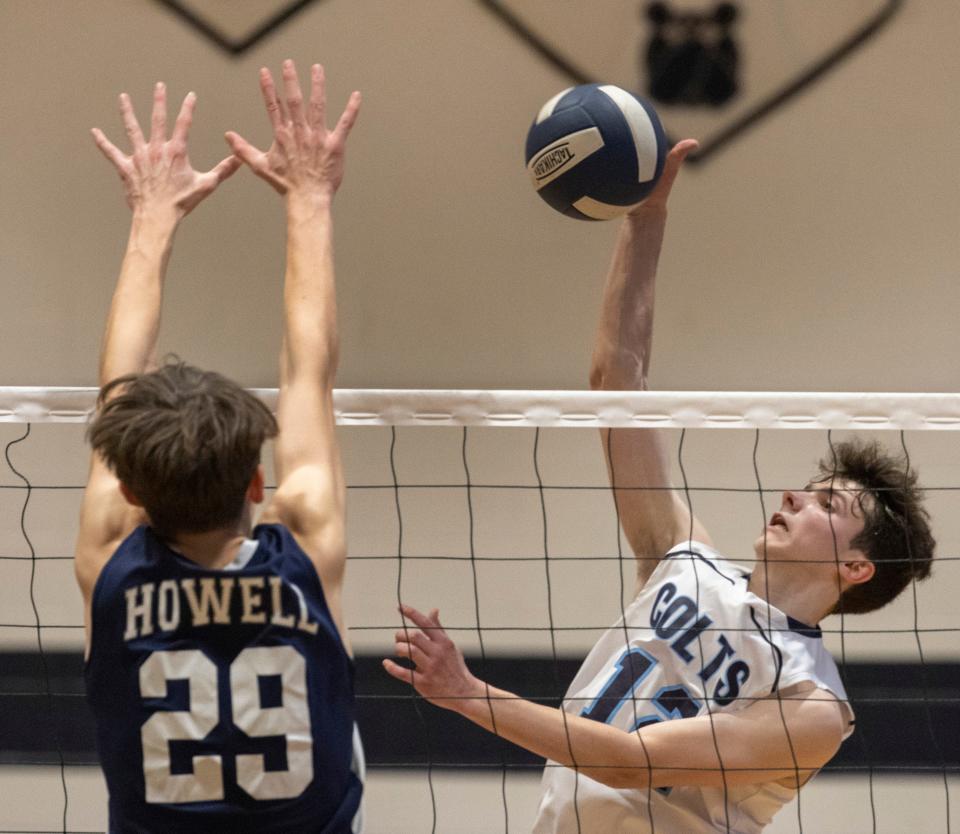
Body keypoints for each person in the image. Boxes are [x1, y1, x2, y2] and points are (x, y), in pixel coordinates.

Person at [384, 140, 936, 833]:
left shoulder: (812, 706)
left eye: (826, 504)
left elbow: (630, 762)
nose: (794, 496)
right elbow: (617, 383)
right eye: (808, 488)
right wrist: (646, 219)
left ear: (856, 567)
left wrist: (468, 695)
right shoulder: (682, 555)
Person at [76, 61, 364, 833]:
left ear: (131, 492)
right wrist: (310, 198)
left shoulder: (111, 559)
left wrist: (150, 217)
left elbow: (118, 386)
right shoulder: (302, 541)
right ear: (259, 481)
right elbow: (311, 370)